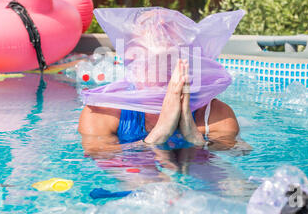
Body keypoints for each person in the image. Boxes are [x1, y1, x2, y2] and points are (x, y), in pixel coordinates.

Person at [79, 59, 242, 151]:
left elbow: (239, 155)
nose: (162, 70)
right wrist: (159, 134)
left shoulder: (215, 114)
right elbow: (109, 168)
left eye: (169, 58)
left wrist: (194, 137)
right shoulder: (102, 112)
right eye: (151, 59)